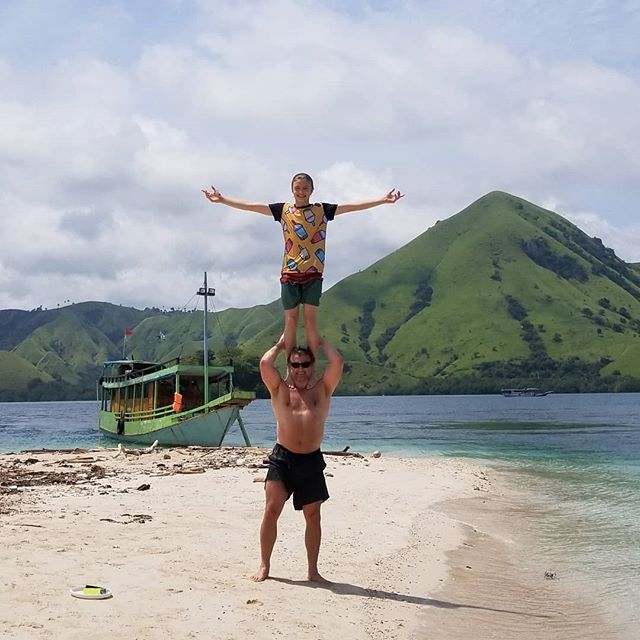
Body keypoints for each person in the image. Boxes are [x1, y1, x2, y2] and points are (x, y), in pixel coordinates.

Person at [202, 173, 403, 358]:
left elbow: (351, 206)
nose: (301, 192)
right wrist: (223, 200)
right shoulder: (283, 210)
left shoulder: (321, 210)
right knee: (290, 322)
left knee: (310, 323)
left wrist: (382, 200)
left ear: (311, 190)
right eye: (297, 188)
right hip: (289, 273)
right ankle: (292, 366)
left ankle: (310, 366)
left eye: (305, 188)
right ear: (292, 190)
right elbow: (253, 206)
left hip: (313, 273)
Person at [251, 333, 344, 583]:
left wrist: (322, 342)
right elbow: (264, 365)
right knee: (271, 510)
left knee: (313, 516)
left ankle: (313, 570)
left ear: (312, 366)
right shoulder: (279, 389)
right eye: (295, 364)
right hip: (283, 458)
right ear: (289, 366)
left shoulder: (322, 389)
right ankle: (264, 565)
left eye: (305, 364)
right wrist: (280, 346)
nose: (300, 369)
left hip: (311, 460)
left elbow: (338, 364)